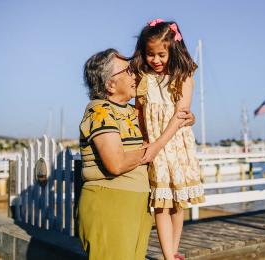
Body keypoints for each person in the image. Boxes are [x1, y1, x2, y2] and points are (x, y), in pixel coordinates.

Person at [78, 48, 196, 259]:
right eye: (128, 71)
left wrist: (187, 119)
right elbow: (116, 163)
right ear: (109, 84)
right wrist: (153, 149)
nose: (136, 74)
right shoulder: (100, 111)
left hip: (137, 205)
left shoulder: (133, 112)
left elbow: (164, 121)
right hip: (110, 204)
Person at [130, 19, 205, 260]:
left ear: (173, 50)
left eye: (161, 54)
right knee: (160, 203)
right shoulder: (144, 79)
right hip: (153, 145)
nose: (156, 60)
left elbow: (180, 116)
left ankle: (173, 251)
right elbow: (140, 112)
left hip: (174, 146)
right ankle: (167, 255)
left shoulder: (184, 78)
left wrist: (188, 120)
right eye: (150, 54)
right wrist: (144, 140)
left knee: (176, 202)